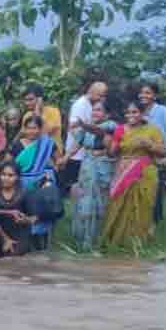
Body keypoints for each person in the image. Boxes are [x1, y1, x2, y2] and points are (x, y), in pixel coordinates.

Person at [102, 101, 166, 249]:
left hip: (145, 172)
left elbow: (163, 151)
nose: (130, 115)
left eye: (135, 112)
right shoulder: (120, 129)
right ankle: (117, 242)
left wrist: (149, 144)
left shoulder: (153, 130)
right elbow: (112, 152)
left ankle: (137, 243)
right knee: (118, 205)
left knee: (141, 207)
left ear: (142, 113)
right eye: (128, 113)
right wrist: (109, 142)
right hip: (123, 171)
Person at [69, 101, 118, 252]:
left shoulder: (110, 125)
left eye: (98, 110)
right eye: (93, 110)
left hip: (102, 167)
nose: (95, 113)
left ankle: (96, 241)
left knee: (99, 202)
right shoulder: (87, 127)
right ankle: (82, 240)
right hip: (86, 167)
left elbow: (99, 132)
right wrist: (64, 158)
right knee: (83, 200)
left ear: (107, 114)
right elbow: (76, 145)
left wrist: (83, 125)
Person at [137, 81, 166, 226]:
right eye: (142, 92)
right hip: (141, 156)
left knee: (155, 190)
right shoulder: (138, 111)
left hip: (160, 156)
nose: (143, 95)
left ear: (155, 96)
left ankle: (153, 222)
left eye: (148, 92)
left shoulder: (163, 111)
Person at [15, 116, 60, 251]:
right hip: (22, 185)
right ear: (24, 129)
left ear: (40, 129)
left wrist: (49, 170)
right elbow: (11, 165)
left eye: (34, 128)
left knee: (42, 214)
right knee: (23, 215)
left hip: (42, 185)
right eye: (28, 128)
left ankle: (42, 248)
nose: (31, 131)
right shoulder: (17, 145)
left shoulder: (47, 144)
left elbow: (59, 161)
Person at [63, 80, 108, 194]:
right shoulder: (80, 105)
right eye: (100, 95)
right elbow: (74, 128)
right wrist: (84, 143)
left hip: (88, 153)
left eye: (103, 96)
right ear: (90, 91)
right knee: (77, 186)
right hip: (78, 153)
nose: (102, 98)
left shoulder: (93, 104)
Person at [0, 161, 37, 259]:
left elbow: (34, 217)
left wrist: (25, 220)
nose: (6, 178)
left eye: (10, 175)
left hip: (19, 237)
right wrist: (5, 239)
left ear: (17, 177)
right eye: (3, 175)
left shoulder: (25, 193)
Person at [21, 83, 64, 154]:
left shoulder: (54, 112)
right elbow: (28, 137)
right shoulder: (27, 116)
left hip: (53, 156)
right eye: (25, 100)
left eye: (30, 99)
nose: (27, 103)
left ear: (40, 99)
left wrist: (37, 111)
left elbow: (43, 133)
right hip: (35, 155)